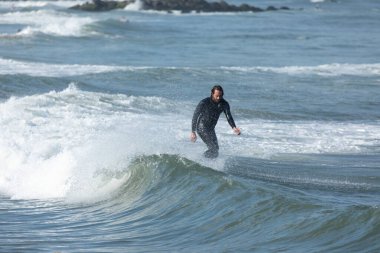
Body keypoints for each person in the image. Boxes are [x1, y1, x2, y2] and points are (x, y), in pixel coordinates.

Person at [190, 85, 241, 158]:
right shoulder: (204, 102)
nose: (218, 98)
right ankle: (200, 159)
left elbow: (228, 116)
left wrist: (234, 127)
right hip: (202, 127)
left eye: (220, 96)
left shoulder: (224, 104)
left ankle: (205, 162)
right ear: (212, 93)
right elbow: (195, 116)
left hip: (211, 129)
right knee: (213, 149)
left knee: (216, 150)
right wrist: (193, 131)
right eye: (217, 96)